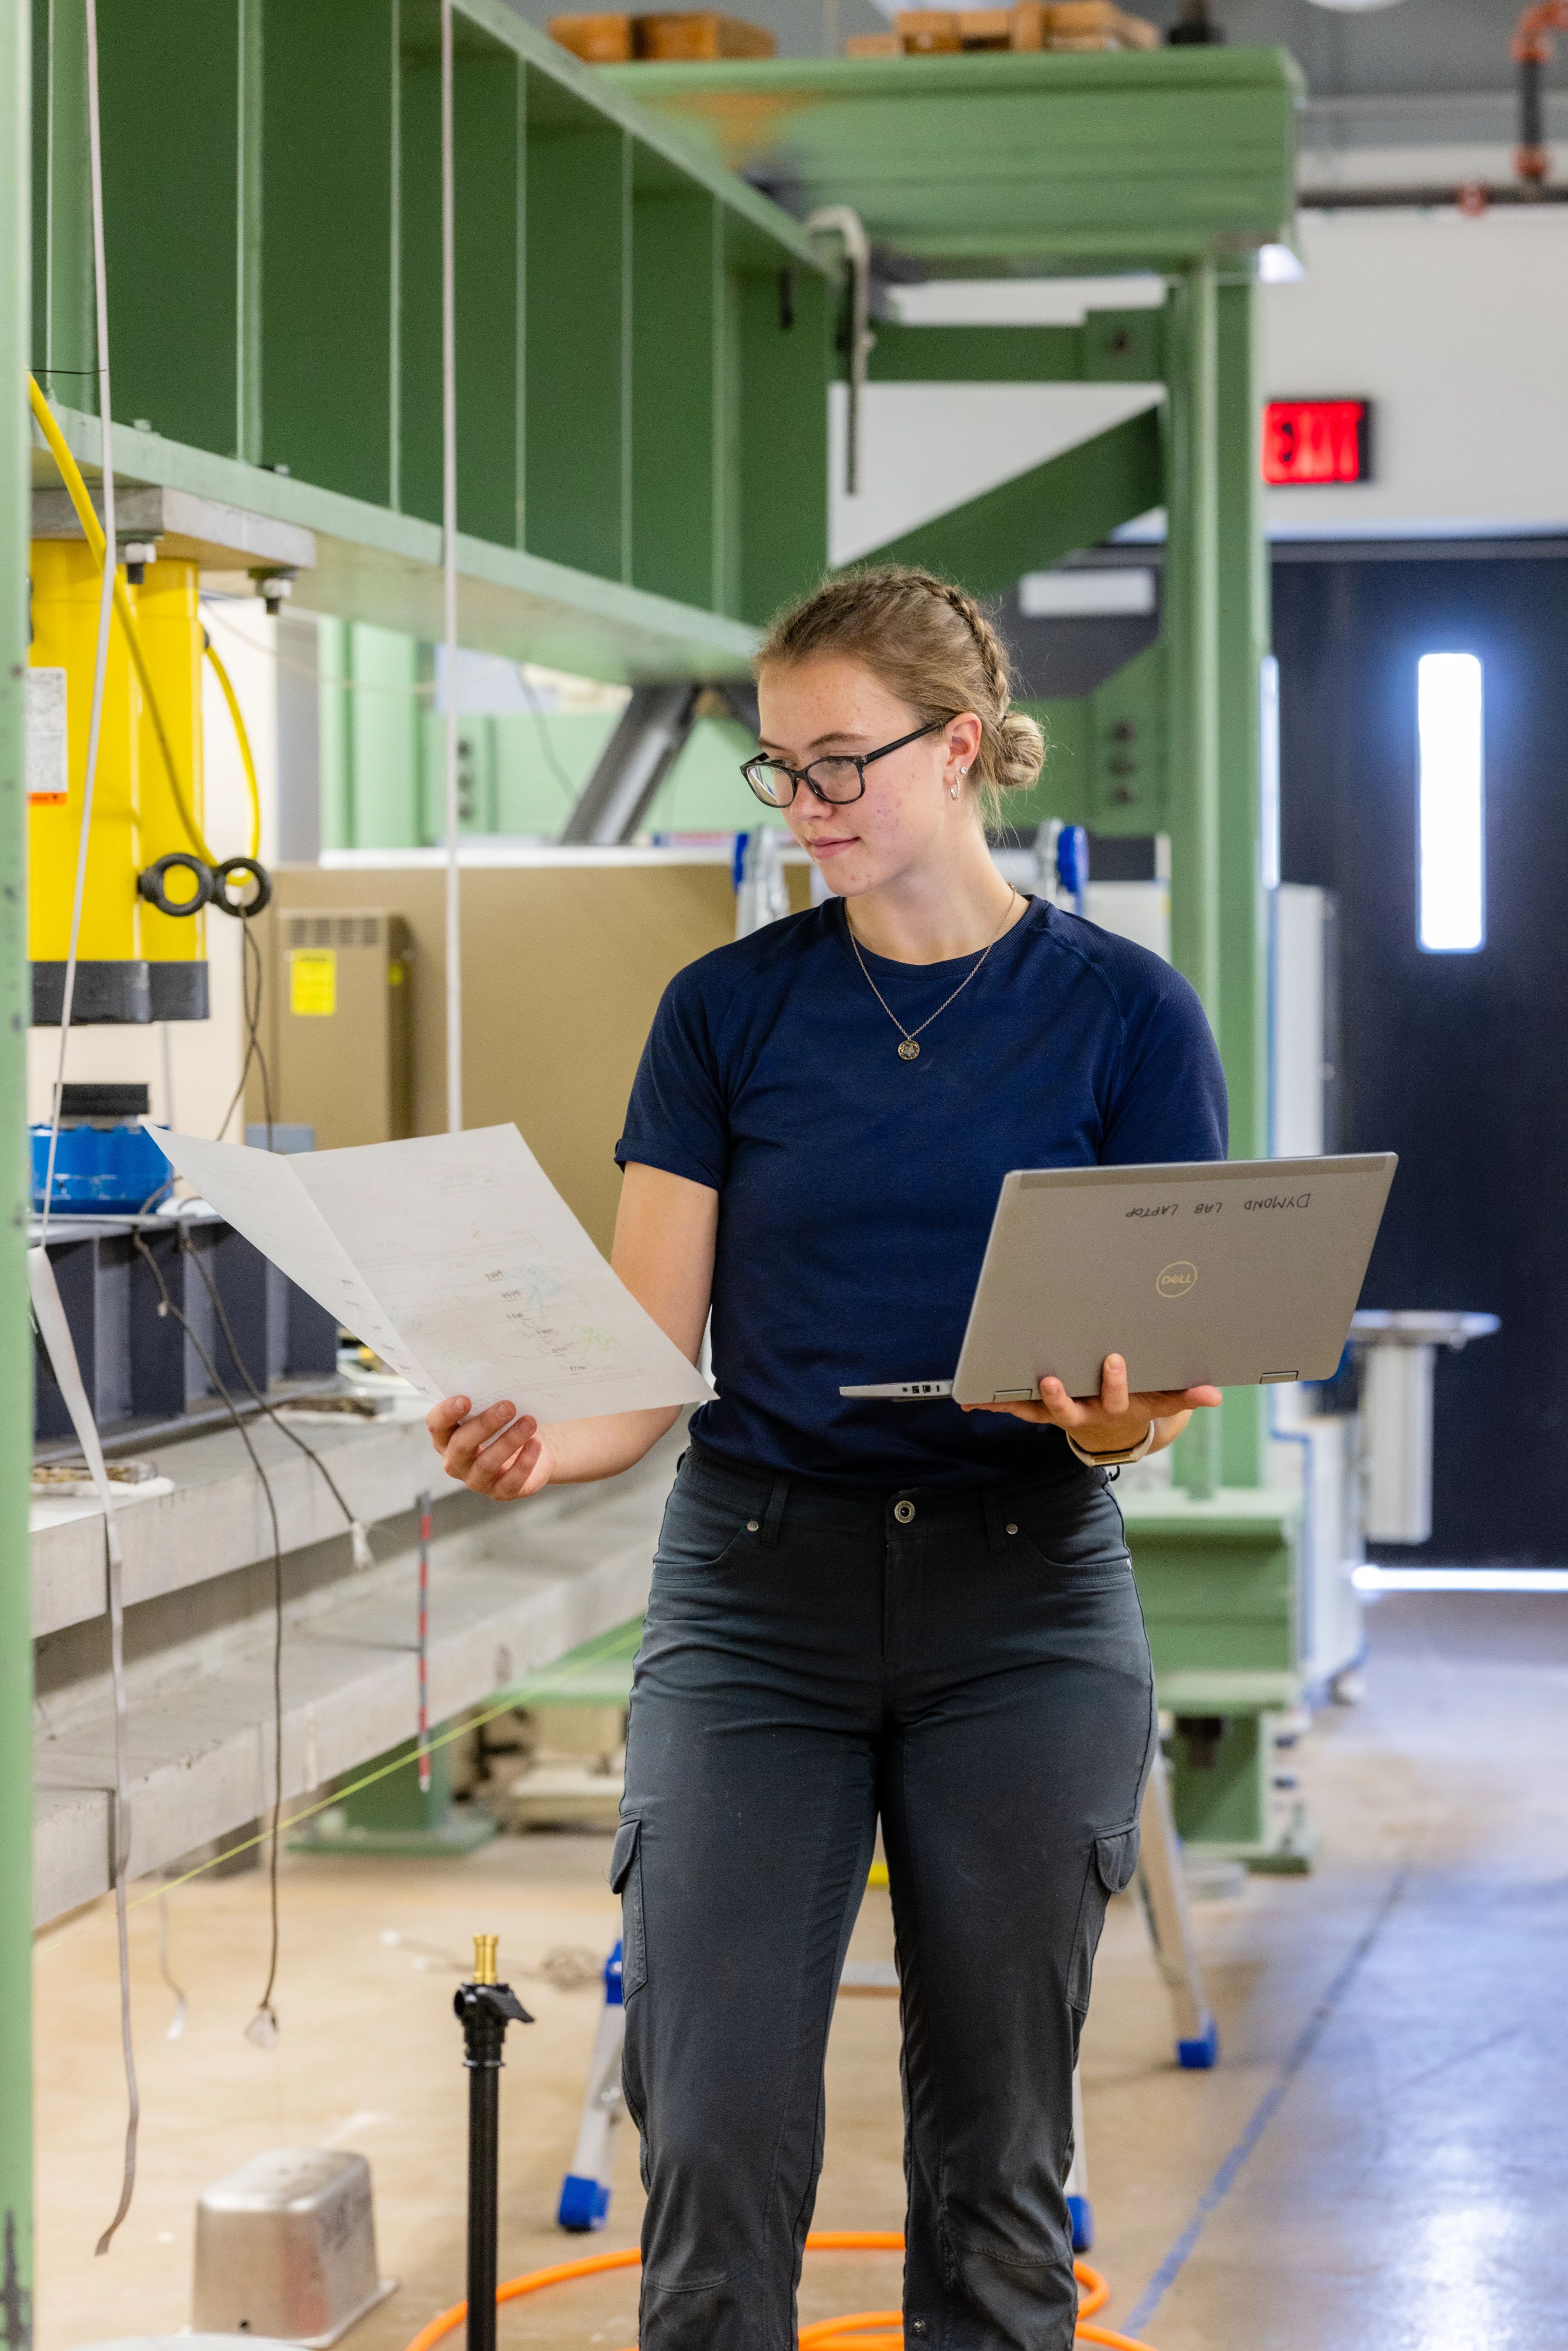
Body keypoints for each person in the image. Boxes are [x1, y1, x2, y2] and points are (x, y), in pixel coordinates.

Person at [427, 564, 1226, 2351]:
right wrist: (541, 1436)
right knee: (707, 2134)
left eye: (841, 762)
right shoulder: (725, 1013)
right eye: (777, 768)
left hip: (1021, 1586)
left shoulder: (1124, 1017)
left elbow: (1174, 1381)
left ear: (958, 750)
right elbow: (646, 1361)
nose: (805, 807)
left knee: (999, 2154)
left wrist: (1115, 1412)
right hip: (754, 1593)